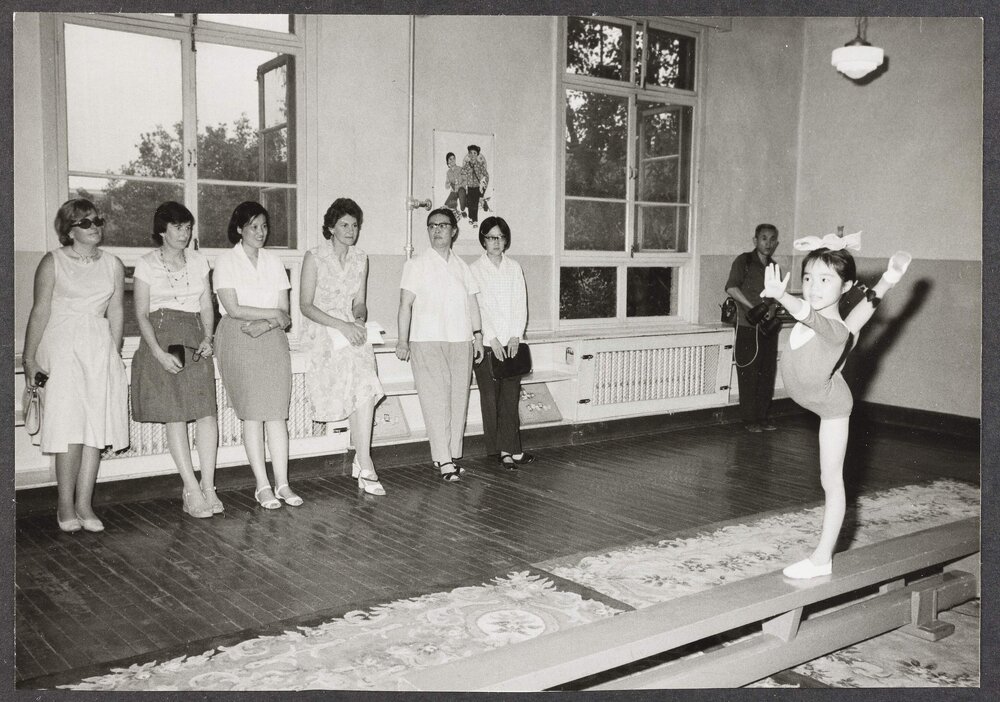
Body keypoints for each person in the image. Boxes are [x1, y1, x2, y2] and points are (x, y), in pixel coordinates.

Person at [760, 235, 911, 579]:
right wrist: (887, 279)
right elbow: (855, 311)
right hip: (818, 385)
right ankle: (885, 279)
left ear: (845, 287)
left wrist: (783, 296)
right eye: (809, 278)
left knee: (831, 480)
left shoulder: (829, 329)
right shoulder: (837, 326)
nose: (813, 286)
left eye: (826, 279)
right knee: (853, 325)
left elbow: (808, 314)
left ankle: (822, 557)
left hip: (832, 406)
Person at [21, 198, 129, 532]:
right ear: (69, 230)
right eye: (86, 223)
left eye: (98, 220)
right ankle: (65, 506)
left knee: (94, 428)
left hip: (98, 348)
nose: (95, 226)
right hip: (63, 346)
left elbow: (116, 312)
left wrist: (113, 352)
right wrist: (29, 359)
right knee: (69, 428)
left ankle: (85, 505)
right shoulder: (52, 262)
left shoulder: (113, 263)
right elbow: (39, 311)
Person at [131, 202, 220, 519]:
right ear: (162, 230)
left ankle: (208, 486)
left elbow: (206, 305)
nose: (185, 233)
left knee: (206, 412)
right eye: (178, 227)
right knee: (176, 415)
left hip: (196, 337)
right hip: (163, 338)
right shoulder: (146, 264)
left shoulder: (198, 261)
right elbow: (140, 313)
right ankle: (191, 489)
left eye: (188, 227)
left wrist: (209, 338)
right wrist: (157, 352)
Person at [213, 201, 302, 509]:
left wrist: (267, 322)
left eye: (264, 226)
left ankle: (283, 484)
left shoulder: (275, 262)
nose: (260, 232)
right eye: (253, 226)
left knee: (277, 413)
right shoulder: (225, 262)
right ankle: (262, 486)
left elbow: (286, 314)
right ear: (239, 229)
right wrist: (272, 315)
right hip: (239, 338)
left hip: (270, 339)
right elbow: (234, 309)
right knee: (253, 413)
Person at [300, 198, 386, 496]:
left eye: (355, 225)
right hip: (324, 331)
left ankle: (363, 460)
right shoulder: (314, 257)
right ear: (330, 227)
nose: (351, 230)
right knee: (358, 383)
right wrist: (342, 325)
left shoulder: (361, 258)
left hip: (350, 330)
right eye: (344, 225)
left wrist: (359, 320)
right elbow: (305, 306)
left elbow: (359, 303)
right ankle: (365, 463)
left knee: (366, 385)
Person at [396, 207, 485, 481]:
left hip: (461, 341)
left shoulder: (462, 267)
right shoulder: (416, 265)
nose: (437, 230)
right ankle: (445, 460)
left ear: (453, 231)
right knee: (435, 401)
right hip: (426, 341)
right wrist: (402, 340)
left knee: (458, 400)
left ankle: (448, 454)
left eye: (443, 226)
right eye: (432, 226)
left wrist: (478, 336)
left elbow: (472, 303)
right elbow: (405, 305)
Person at [470, 216, 534, 469]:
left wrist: (515, 335)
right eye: (491, 237)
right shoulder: (474, 270)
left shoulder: (514, 267)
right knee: (491, 399)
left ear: (506, 240)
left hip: (512, 343)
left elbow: (520, 303)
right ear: (483, 240)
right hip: (487, 343)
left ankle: (513, 449)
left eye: (500, 237)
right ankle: (499, 451)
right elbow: (478, 307)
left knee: (510, 397)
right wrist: (491, 338)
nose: (496, 242)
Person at [725, 223, 781, 432]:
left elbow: (776, 297)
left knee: (767, 372)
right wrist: (753, 308)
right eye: (764, 238)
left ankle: (762, 416)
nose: (768, 243)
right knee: (749, 372)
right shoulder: (744, 261)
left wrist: (771, 310)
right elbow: (731, 287)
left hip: (768, 328)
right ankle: (749, 420)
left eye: (772, 239)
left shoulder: (774, 267)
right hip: (748, 326)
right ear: (755, 240)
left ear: (776, 242)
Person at [460, 145, 489, 227]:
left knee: (475, 204)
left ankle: (475, 220)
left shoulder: (480, 165)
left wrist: (484, 185)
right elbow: (461, 173)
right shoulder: (466, 165)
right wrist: (463, 182)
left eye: (474, 153)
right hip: (469, 187)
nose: (472, 155)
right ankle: (470, 218)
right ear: (468, 154)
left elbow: (486, 175)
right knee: (470, 203)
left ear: (477, 155)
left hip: (476, 188)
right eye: (471, 153)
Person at [443, 152, 465, 220]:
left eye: (453, 159)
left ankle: (462, 208)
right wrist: (448, 183)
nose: (452, 161)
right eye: (450, 159)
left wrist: (459, 185)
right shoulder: (448, 172)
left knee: (462, 206)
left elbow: (465, 181)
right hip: (454, 191)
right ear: (447, 161)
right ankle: (456, 214)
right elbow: (447, 187)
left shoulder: (460, 169)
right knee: (447, 205)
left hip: (461, 189)